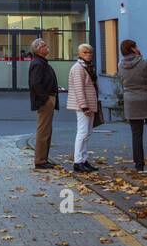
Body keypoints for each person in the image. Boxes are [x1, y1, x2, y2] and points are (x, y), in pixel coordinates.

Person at [116, 40, 147, 172]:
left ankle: (139, 166)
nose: (138, 48)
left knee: (136, 135)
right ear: (132, 49)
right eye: (136, 46)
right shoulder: (145, 63)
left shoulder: (120, 65)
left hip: (131, 103)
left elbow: (122, 83)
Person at [66, 43, 100, 173]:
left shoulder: (88, 67)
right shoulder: (78, 68)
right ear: (79, 54)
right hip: (83, 106)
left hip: (90, 104)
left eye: (90, 52)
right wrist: (84, 106)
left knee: (87, 133)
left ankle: (84, 160)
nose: (88, 55)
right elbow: (79, 89)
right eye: (85, 53)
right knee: (82, 133)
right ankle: (78, 161)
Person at [28, 38, 59, 170]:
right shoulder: (38, 64)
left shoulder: (41, 63)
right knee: (43, 131)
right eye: (45, 46)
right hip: (45, 101)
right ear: (39, 49)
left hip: (47, 99)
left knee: (46, 130)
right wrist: (46, 98)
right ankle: (40, 160)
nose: (47, 47)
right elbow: (35, 84)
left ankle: (43, 159)